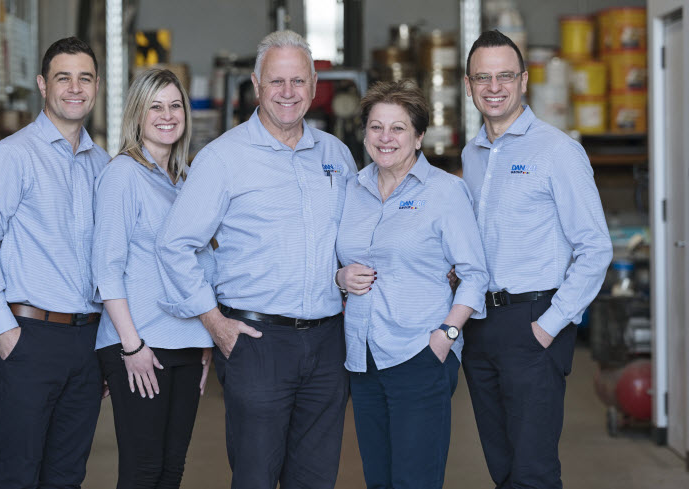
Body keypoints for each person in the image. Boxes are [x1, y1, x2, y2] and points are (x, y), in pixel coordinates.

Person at [156, 30, 357, 489]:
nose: (288, 92)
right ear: (256, 84)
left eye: (298, 81)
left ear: (313, 85)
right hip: (257, 342)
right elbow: (174, 245)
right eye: (276, 81)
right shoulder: (222, 159)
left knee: (317, 478)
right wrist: (214, 322)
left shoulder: (337, 155)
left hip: (328, 344)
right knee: (256, 477)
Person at [460, 30, 612, 489]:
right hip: (480, 323)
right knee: (502, 467)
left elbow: (595, 248)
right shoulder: (472, 153)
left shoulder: (557, 151)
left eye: (505, 76)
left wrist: (550, 325)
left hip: (534, 320)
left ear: (524, 81)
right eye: (482, 77)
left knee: (533, 472)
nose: (494, 87)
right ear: (468, 86)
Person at [0, 37, 110, 489]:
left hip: (87, 341)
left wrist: (109, 343)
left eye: (84, 78)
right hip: (28, 337)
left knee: (67, 476)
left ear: (97, 86)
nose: (75, 88)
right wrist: (3, 330)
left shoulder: (103, 164)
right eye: (63, 78)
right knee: (16, 475)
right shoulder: (11, 156)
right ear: (44, 85)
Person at [335, 80, 489, 489]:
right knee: (378, 479)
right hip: (362, 356)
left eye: (398, 128)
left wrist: (446, 335)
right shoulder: (352, 189)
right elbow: (336, 260)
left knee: (414, 480)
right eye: (376, 127)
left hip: (419, 353)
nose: (385, 138)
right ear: (364, 134)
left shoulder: (445, 191)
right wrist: (340, 277)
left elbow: (474, 273)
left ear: (419, 137)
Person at [92, 68, 214, 488]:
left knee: (171, 469)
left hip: (185, 342)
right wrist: (132, 346)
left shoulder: (185, 181)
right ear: (137, 115)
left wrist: (204, 340)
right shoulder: (123, 174)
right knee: (143, 470)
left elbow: (199, 265)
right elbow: (107, 268)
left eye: (175, 105)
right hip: (140, 342)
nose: (167, 115)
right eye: (155, 107)